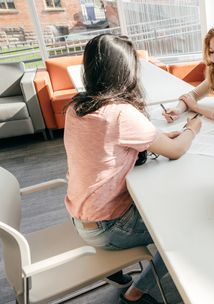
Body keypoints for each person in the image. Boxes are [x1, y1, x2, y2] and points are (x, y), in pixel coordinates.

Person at [64, 34, 201, 304]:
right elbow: (177, 151)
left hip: (81, 216)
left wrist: (160, 138)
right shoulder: (119, 114)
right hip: (108, 228)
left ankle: (117, 272)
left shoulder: (77, 106)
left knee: (163, 203)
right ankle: (138, 291)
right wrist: (191, 130)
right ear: (126, 72)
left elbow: (111, 146)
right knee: (187, 230)